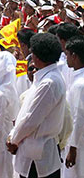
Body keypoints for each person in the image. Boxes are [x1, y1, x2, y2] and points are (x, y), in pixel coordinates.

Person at [7, 33, 66, 178]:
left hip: (38, 154)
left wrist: (13, 139)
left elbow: (30, 119)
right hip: (32, 149)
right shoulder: (46, 77)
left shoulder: (49, 83)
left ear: (37, 57)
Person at [63, 36, 84, 178]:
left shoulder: (79, 84)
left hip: (78, 143)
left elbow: (78, 117)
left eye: (67, 55)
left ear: (74, 56)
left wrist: (73, 147)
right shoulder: (77, 79)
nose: (66, 59)